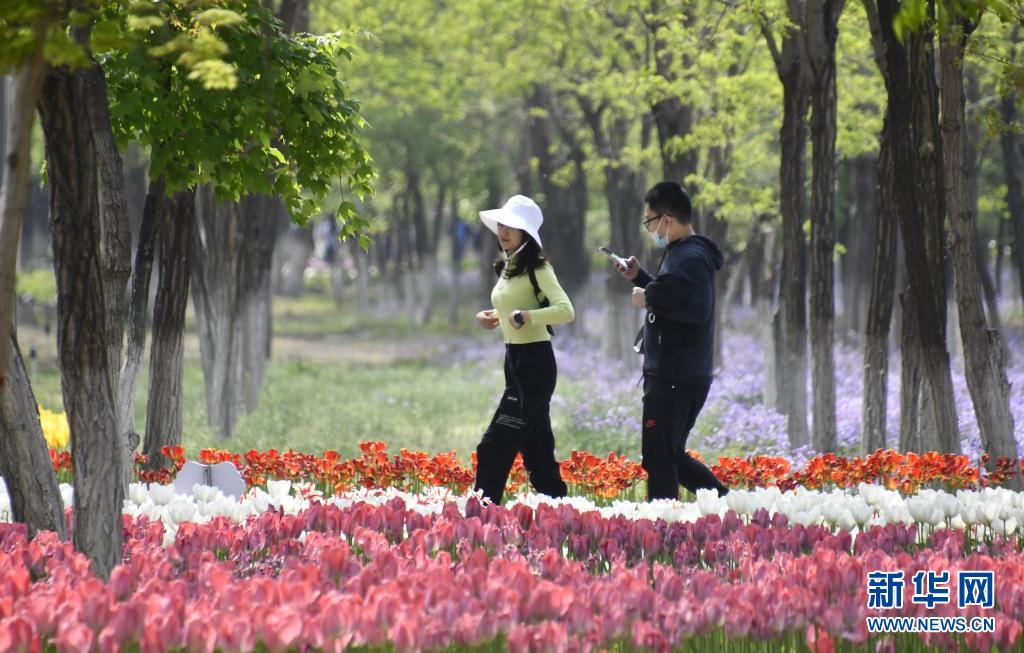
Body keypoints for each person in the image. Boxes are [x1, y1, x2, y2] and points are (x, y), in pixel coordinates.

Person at [613, 181, 729, 501]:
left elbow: (697, 310)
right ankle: (725, 505)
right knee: (667, 454)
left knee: (660, 457)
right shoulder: (679, 253)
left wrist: (648, 297)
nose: (650, 228)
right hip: (672, 373)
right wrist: (641, 278)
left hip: (676, 376)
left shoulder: (690, 256)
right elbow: (674, 293)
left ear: (667, 218)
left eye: (650, 221)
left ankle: (663, 526)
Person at [473, 195, 575, 504]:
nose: (504, 231)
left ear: (526, 234)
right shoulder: (507, 265)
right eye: (502, 225)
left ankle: (480, 515)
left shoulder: (538, 267)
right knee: (537, 448)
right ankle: (558, 511)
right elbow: (512, 308)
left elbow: (566, 310)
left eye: (512, 227)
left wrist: (528, 317)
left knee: (493, 445)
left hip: (535, 365)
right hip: (514, 362)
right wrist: (494, 317)